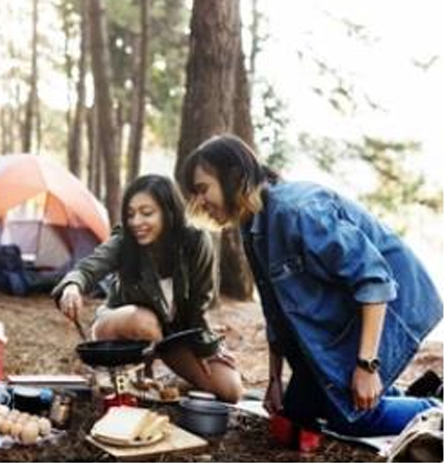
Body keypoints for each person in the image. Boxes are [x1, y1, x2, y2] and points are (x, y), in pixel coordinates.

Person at [180, 133, 442, 436]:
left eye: (202, 189)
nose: (198, 201)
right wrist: (275, 380)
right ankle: (404, 395)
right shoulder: (251, 226)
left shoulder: (299, 210)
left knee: (353, 417)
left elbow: (375, 280)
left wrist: (367, 366)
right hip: (348, 313)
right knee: (298, 413)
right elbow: (274, 309)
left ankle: (434, 412)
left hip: (390, 303)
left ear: (235, 176)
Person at [52, 174, 244, 403]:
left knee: (230, 389)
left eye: (147, 213)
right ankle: (138, 376)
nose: (136, 222)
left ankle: (165, 380)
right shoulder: (125, 240)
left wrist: (205, 347)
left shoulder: (196, 241)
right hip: (121, 326)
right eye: (131, 214)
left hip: (170, 337)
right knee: (145, 322)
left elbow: (199, 304)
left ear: (168, 211)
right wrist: (73, 285)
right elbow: (89, 266)